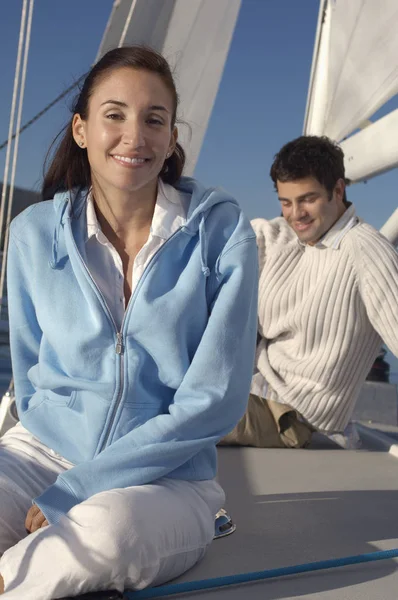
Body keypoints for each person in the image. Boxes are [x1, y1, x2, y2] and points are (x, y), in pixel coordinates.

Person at [0, 46, 258, 599]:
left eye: (154, 119)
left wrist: (83, 487)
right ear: (81, 129)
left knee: (107, 536)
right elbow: (29, 368)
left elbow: (212, 401)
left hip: (165, 476)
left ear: (170, 139)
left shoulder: (221, 235)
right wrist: (54, 465)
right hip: (42, 451)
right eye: (114, 114)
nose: (134, 135)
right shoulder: (32, 234)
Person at [220, 135, 398, 449]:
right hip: (253, 392)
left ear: (338, 190)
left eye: (307, 199)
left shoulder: (366, 250)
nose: (295, 213)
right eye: (286, 202)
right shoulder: (293, 239)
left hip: (295, 418)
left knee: (162, 415)